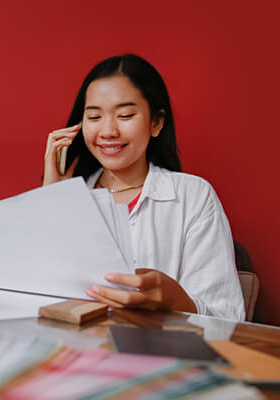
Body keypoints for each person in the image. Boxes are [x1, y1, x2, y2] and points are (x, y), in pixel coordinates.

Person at [43, 54, 245, 320]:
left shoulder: (193, 196)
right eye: (94, 117)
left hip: (159, 354)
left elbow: (228, 319)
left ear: (156, 123)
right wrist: (49, 200)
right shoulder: (70, 197)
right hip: (74, 352)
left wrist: (176, 299)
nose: (107, 131)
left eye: (125, 115)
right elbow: (32, 295)